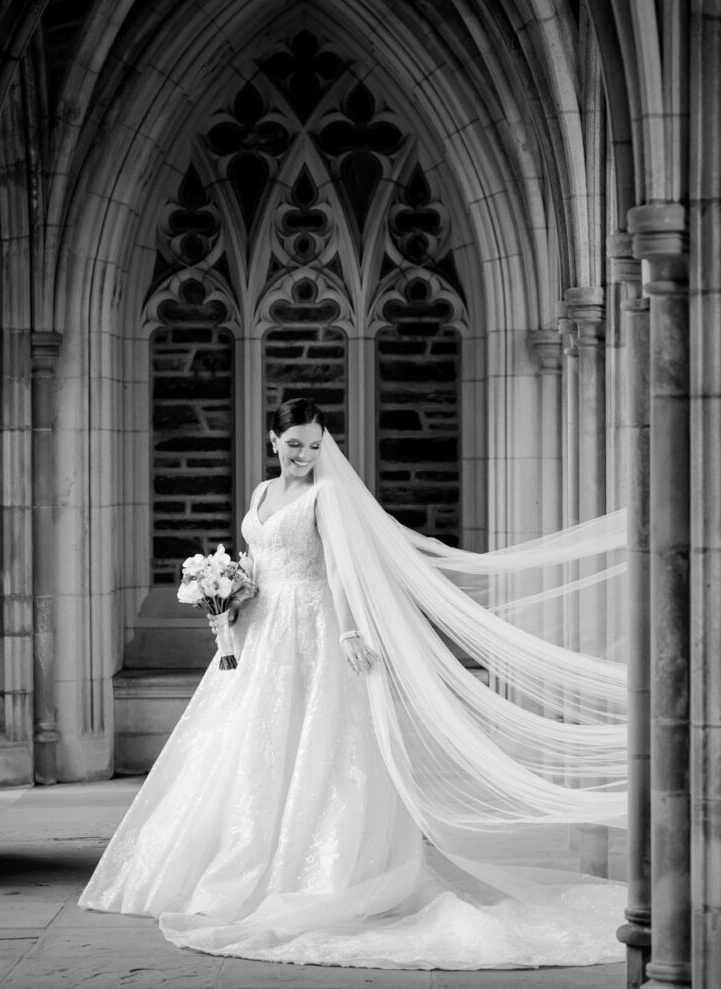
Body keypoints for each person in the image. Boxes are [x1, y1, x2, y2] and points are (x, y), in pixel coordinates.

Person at [78, 397, 631, 968]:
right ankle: (244, 858)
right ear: (272, 440)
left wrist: (347, 632)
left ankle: (317, 868)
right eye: (294, 444)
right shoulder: (261, 494)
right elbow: (258, 558)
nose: (304, 455)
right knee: (251, 744)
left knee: (318, 739)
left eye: (315, 445)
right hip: (261, 631)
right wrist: (229, 593)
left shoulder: (329, 495)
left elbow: (340, 567)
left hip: (313, 626)